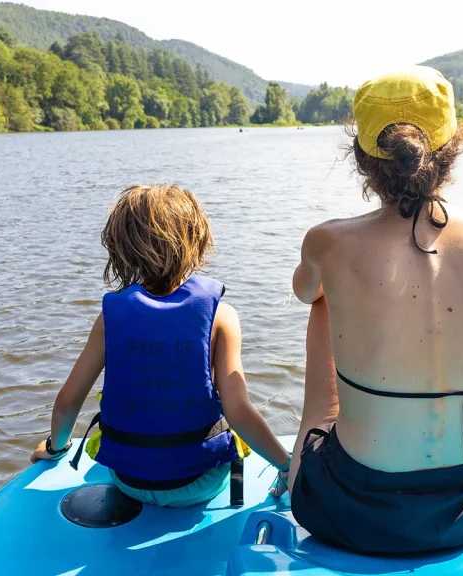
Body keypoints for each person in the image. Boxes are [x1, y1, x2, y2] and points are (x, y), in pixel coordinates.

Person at [287, 67, 463, 555]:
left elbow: (303, 292)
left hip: (357, 507)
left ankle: (298, 461)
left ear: (362, 158)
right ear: (453, 147)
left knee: (322, 306)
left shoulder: (328, 240)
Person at [30, 185, 292, 507]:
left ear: (121, 250)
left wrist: (56, 448)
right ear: (198, 241)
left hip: (128, 480)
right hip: (201, 481)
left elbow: (68, 401)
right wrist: (287, 466)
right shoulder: (220, 316)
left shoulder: (110, 318)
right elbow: (239, 412)